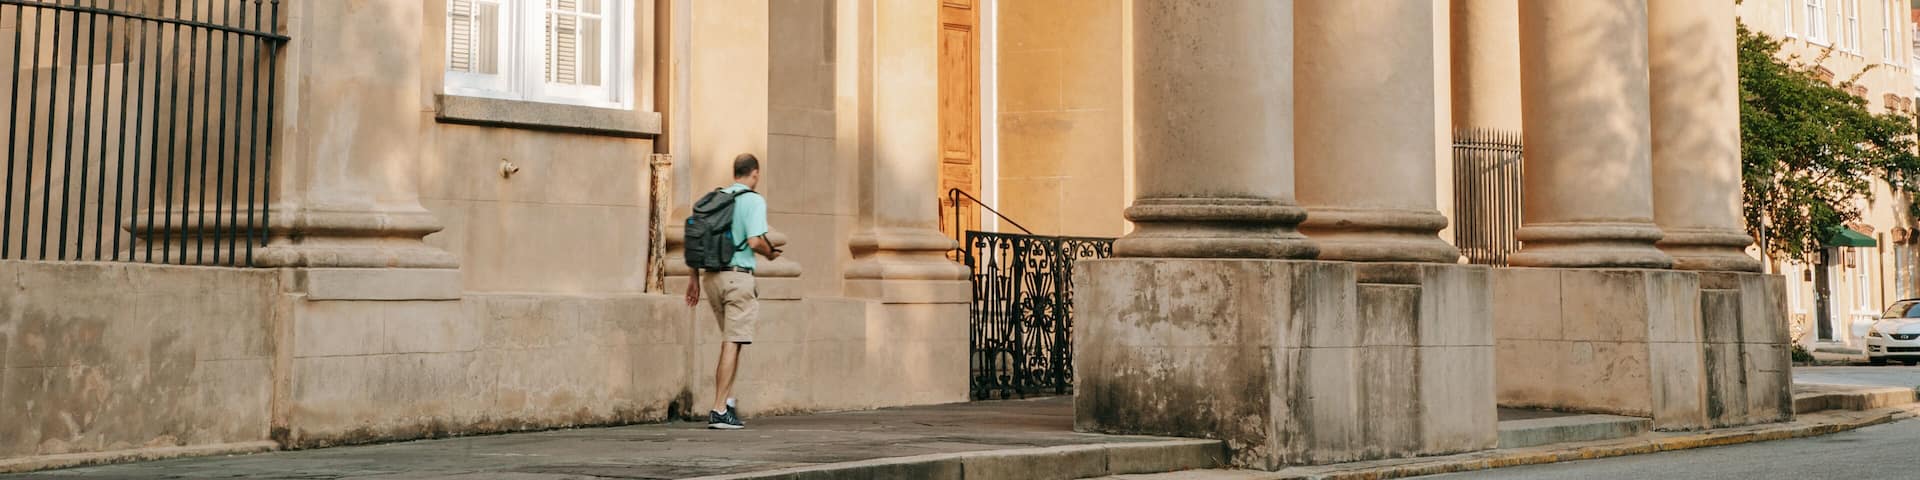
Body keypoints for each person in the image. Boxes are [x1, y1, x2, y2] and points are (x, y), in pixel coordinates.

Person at [686, 153, 780, 430]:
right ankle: (718, 409)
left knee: (733, 341)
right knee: (733, 342)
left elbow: (695, 239)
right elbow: (754, 241)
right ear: (755, 174)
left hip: (711, 278)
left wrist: (693, 278)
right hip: (738, 278)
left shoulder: (715, 199)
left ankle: (725, 402)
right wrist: (771, 252)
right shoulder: (753, 200)